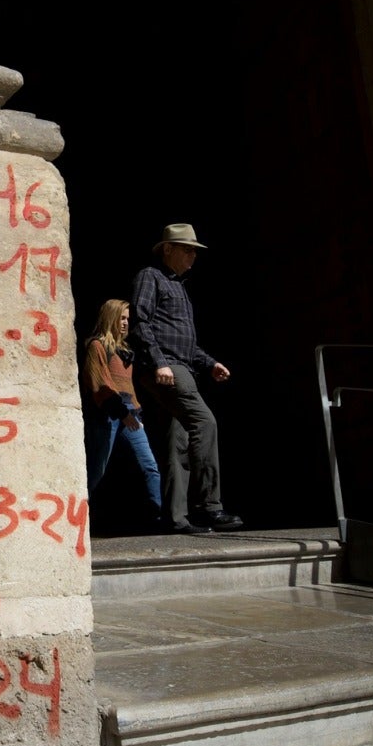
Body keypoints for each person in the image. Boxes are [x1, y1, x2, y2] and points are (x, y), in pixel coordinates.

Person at [130, 223, 243, 535]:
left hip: (181, 364)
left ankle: (175, 517)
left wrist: (210, 363)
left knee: (177, 442)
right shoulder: (150, 276)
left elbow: (185, 342)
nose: (193, 255)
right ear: (168, 249)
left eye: (195, 250)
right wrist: (158, 362)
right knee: (204, 422)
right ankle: (210, 507)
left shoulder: (180, 287)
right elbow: (139, 322)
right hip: (166, 367)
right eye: (187, 249)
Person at [82, 299, 164, 527]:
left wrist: (136, 413)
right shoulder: (97, 346)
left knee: (150, 466)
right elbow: (100, 384)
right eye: (122, 317)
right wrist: (121, 412)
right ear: (111, 317)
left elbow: (129, 388)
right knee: (96, 470)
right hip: (107, 412)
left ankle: (157, 518)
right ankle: (78, 519)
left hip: (130, 413)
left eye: (128, 318)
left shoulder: (125, 351)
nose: (126, 323)